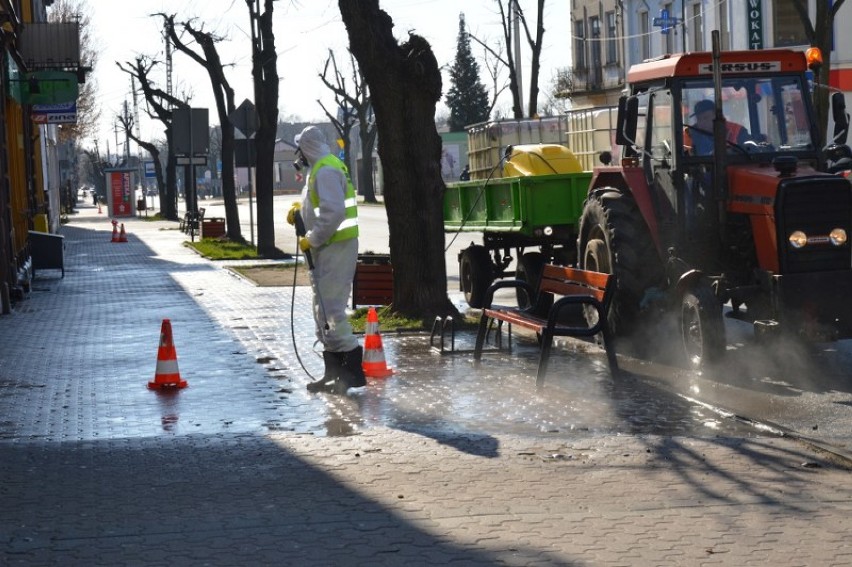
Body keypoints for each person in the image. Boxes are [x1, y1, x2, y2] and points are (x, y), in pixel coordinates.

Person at [286, 125, 366, 395]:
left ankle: (351, 371)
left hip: (335, 248)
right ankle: (333, 374)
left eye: (300, 148)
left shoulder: (327, 170)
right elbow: (322, 206)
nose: (298, 154)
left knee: (331, 310)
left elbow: (333, 213)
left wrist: (313, 238)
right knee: (323, 311)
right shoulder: (320, 168)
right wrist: (301, 211)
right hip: (328, 250)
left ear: (307, 147)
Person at [684, 99, 751, 155]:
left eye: (706, 118)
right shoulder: (689, 134)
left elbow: (749, 151)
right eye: (699, 119)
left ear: (717, 116)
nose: (702, 122)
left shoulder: (738, 131)